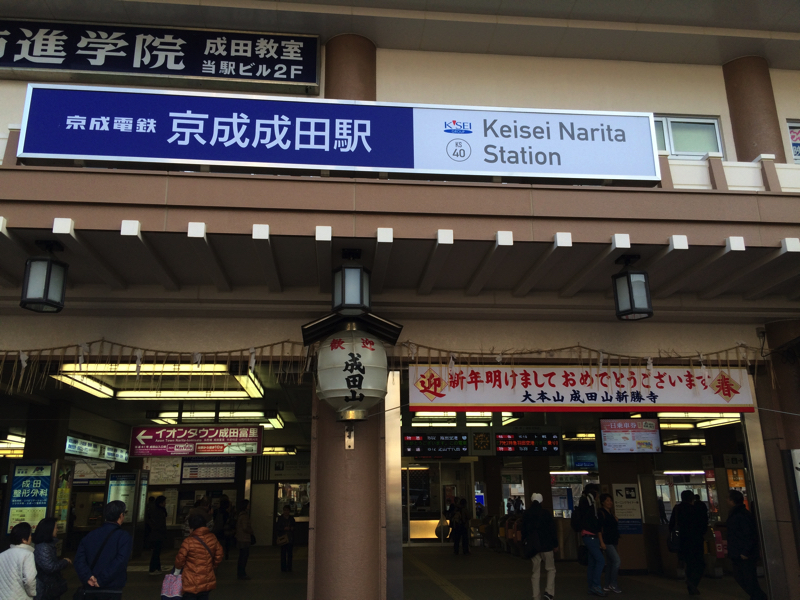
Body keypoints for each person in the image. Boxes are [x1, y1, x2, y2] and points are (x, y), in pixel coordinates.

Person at [74, 500, 132, 598]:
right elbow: (120, 561)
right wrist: (101, 580)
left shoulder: (90, 535)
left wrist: (87, 577)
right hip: (112, 588)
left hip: (90, 588)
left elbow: (79, 560)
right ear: (121, 516)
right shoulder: (124, 537)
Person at [726, 490, 767, 600]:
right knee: (746, 578)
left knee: (747, 579)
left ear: (732, 500)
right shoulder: (741, 513)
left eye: (728, 498)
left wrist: (745, 552)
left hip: (743, 553)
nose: (726, 500)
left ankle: (759, 597)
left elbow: (749, 535)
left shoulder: (739, 515)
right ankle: (758, 597)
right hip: (740, 552)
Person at [175, 513, 224, 600]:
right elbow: (219, 555)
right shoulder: (212, 538)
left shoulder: (188, 541)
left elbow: (180, 559)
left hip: (190, 580)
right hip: (206, 579)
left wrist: (177, 571)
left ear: (192, 527)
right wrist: (213, 566)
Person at [669, 490, 707, 596]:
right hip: (696, 541)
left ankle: (691, 585)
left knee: (688, 563)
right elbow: (703, 526)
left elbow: (671, 525)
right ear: (692, 498)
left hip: (681, 542)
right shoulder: (696, 509)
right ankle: (692, 582)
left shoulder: (677, 509)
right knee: (699, 564)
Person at [522, 493, 558, 600]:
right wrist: (555, 544)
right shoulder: (545, 513)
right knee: (551, 569)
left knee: (535, 571)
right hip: (547, 545)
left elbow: (523, 531)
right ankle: (549, 592)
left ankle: (536, 596)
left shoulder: (526, 513)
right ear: (541, 501)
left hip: (533, 547)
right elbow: (552, 530)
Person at [33, 517, 71, 600]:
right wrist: (64, 562)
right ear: (49, 530)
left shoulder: (47, 545)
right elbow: (50, 567)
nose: (57, 530)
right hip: (45, 588)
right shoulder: (43, 547)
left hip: (48, 586)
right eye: (55, 527)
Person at [578, 484, 606, 597]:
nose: (598, 496)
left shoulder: (584, 502)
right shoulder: (589, 502)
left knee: (592, 562)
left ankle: (591, 587)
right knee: (600, 560)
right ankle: (596, 585)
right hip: (591, 535)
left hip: (588, 535)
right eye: (597, 493)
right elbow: (594, 521)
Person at [0, 522, 37, 600]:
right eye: (29, 535)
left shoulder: (2, 555)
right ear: (24, 539)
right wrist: (32, 593)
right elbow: (29, 580)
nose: (31, 537)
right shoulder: (27, 554)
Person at [598, 493, 621, 594]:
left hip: (613, 540)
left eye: (611, 500)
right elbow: (599, 529)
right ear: (603, 502)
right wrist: (601, 542)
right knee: (617, 561)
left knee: (611, 563)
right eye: (607, 500)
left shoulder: (610, 513)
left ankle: (607, 584)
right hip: (607, 541)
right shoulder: (601, 513)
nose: (610, 502)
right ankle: (613, 583)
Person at [147, 496, 168, 575]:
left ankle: (157, 568)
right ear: (160, 503)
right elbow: (159, 524)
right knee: (156, 552)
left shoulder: (157, 510)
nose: (165, 504)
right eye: (164, 502)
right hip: (157, 534)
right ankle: (153, 569)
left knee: (157, 552)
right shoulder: (158, 511)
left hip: (156, 534)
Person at [235, 499, 253, 580]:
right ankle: (242, 573)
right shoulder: (245, 516)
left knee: (241, 556)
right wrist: (251, 531)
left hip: (240, 538)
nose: (249, 506)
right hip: (244, 538)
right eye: (248, 504)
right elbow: (245, 527)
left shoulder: (240, 515)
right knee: (244, 556)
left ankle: (240, 573)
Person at [276, 505, 296, 572]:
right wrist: (284, 528)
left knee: (289, 553)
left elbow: (294, 526)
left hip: (290, 537)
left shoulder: (291, 519)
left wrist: (292, 528)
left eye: (287, 510)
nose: (286, 512)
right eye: (285, 510)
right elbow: (277, 527)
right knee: (283, 553)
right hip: (283, 537)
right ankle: (284, 567)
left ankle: (289, 567)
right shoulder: (280, 518)